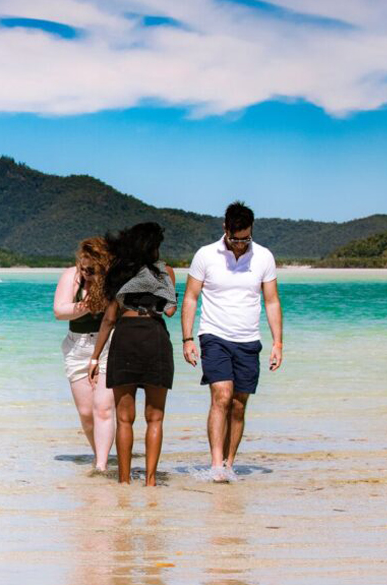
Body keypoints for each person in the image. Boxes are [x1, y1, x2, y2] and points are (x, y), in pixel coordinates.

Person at [181, 202, 283, 483]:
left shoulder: (263, 257)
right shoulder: (205, 255)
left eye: (245, 238)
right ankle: (216, 464)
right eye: (234, 238)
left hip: (249, 339)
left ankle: (229, 463)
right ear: (225, 229)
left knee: (238, 404)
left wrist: (278, 343)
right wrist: (188, 338)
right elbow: (190, 297)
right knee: (221, 396)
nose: (239, 245)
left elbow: (272, 301)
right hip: (214, 335)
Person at [88, 223, 177, 486]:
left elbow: (109, 319)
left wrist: (95, 357)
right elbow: (169, 311)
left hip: (125, 338)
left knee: (124, 418)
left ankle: (124, 481)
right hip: (154, 338)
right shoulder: (165, 272)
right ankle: (150, 482)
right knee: (155, 417)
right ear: (152, 246)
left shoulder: (120, 273)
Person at [53, 237, 115, 472]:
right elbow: (59, 311)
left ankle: (101, 465)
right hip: (77, 347)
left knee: (103, 408)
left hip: (108, 344)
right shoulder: (72, 275)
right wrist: (88, 305)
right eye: (84, 267)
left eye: (92, 269)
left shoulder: (112, 281)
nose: (87, 273)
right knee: (87, 413)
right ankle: (98, 454)